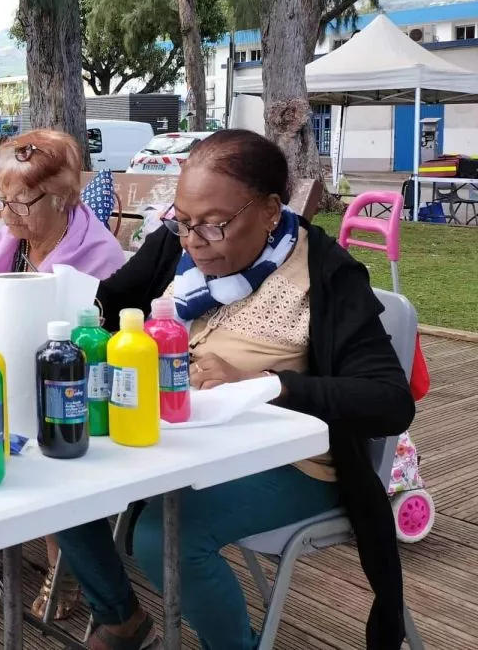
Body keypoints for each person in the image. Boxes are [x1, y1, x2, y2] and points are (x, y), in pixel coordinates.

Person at [53, 130, 414, 650]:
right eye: (183, 220)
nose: (194, 240)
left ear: (269, 211)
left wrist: (264, 385)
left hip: (293, 464)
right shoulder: (178, 245)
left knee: (163, 539)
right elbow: (108, 304)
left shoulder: (326, 275)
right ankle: (121, 618)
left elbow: (389, 401)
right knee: (59, 473)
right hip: (183, 439)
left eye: (214, 224)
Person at [0, 128, 125, 617]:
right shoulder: (7, 240)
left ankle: (65, 565)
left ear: (63, 198)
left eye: (21, 201)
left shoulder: (98, 255)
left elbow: (94, 338)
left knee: (50, 431)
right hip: (5, 371)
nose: (6, 213)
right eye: (2, 199)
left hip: (69, 384)